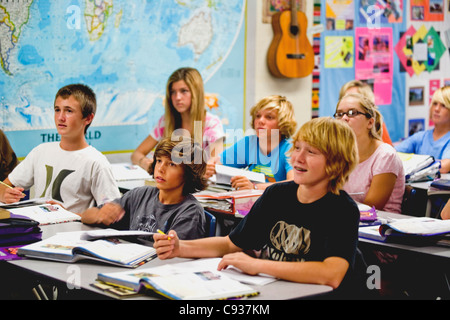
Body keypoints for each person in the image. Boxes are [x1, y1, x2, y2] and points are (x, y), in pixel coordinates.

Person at [154, 117, 361, 293]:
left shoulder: (342, 209)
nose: (298, 158)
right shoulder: (277, 195)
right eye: (297, 148)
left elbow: (331, 274)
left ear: (336, 161)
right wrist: (180, 248)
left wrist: (259, 265)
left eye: (311, 152)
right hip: (277, 291)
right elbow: (230, 243)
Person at [0, 84, 120, 214]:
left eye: (69, 111)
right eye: (57, 110)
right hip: (38, 231)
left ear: (88, 118)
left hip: (73, 232)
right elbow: (6, 186)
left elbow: (112, 215)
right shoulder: (41, 151)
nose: (60, 117)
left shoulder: (96, 162)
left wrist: (66, 214)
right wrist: (3, 194)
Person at [82, 137, 208, 240]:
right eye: (159, 161)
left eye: (171, 164)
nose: (160, 169)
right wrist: (100, 215)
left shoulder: (190, 212)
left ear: (188, 173)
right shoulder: (140, 195)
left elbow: (175, 255)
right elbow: (86, 216)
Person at [131, 67, 225, 172]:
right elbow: (136, 154)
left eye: (184, 91)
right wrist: (146, 163)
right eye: (173, 92)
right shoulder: (165, 122)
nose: (177, 97)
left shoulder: (211, 123)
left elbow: (216, 164)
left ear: (196, 93)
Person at [207, 95, 297, 190]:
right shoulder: (249, 143)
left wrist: (255, 187)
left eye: (269, 117)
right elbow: (215, 163)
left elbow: (293, 182)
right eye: (258, 116)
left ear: (282, 124)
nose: (260, 121)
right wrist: (208, 168)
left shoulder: (291, 148)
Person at [335, 93, 405, 213]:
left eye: (352, 113)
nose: (344, 118)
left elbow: (371, 207)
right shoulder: (337, 153)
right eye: (339, 114)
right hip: (346, 219)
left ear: (370, 122)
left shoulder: (385, 155)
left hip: (381, 225)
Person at [396, 85, 450, 173]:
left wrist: (414, 163)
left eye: (443, 105)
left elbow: (443, 167)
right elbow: (392, 154)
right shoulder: (421, 137)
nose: (436, 109)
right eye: (435, 104)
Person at [339, 79, 393, 145]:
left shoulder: (377, 125)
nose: (348, 101)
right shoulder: (336, 128)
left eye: (354, 97)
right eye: (345, 97)